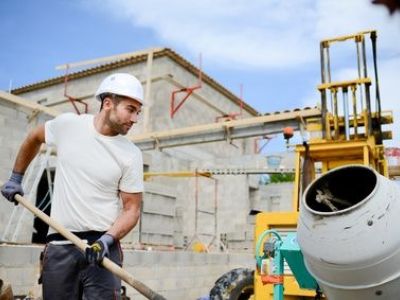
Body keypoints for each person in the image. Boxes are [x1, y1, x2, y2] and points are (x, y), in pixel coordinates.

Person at [1, 73, 144, 299]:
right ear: (108, 103)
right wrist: (16, 177)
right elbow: (33, 137)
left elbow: (132, 209)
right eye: (130, 109)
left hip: (102, 249)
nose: (135, 118)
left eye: (138, 111)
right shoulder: (69, 125)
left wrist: (107, 240)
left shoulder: (131, 154)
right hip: (59, 245)